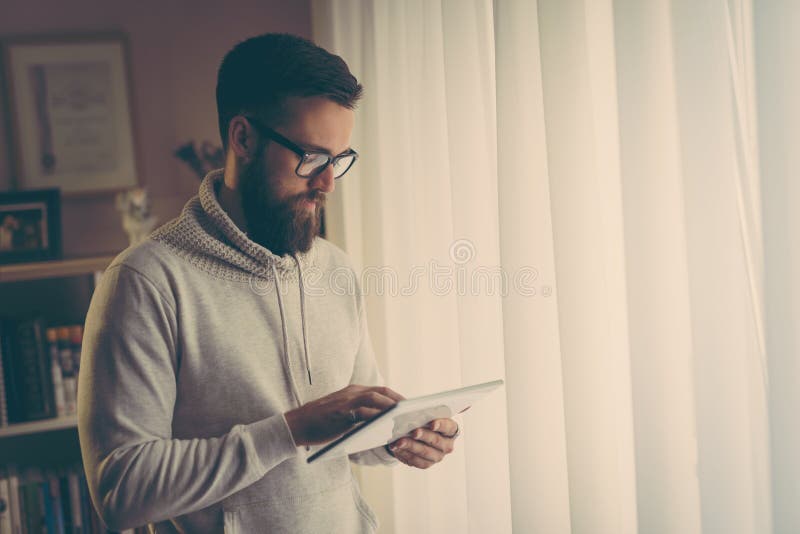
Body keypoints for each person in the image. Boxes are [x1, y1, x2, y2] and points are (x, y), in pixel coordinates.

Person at [77, 33, 459, 533]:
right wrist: (291, 429)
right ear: (243, 139)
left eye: (339, 160)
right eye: (311, 158)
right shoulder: (145, 282)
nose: (327, 183)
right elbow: (122, 490)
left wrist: (398, 436)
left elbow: (347, 430)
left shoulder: (335, 268)